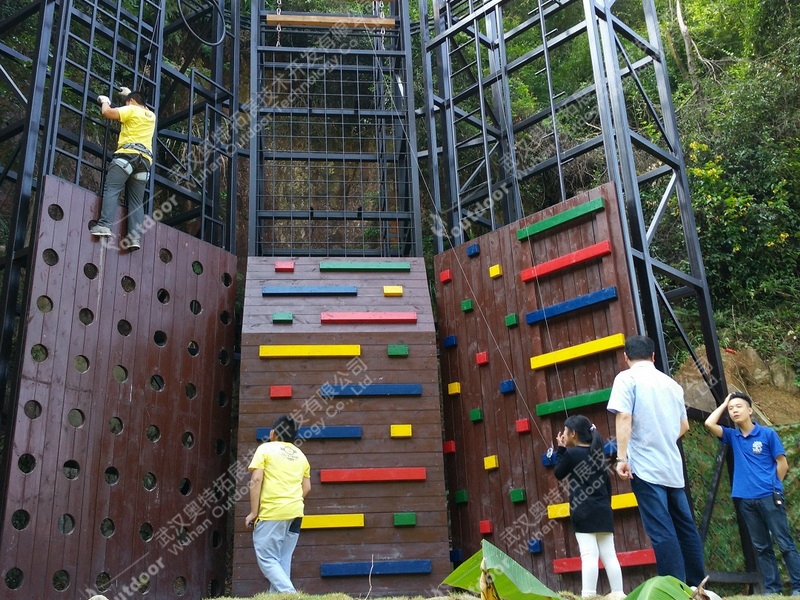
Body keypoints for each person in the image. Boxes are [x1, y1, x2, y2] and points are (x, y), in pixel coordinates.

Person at [607, 334, 706, 586]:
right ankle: (697, 583)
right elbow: (683, 426)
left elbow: (624, 417)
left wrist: (622, 457)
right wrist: (662, 438)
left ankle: (674, 586)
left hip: (646, 467)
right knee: (685, 527)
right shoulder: (672, 384)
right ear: (654, 356)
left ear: (626, 357)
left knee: (661, 529)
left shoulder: (626, 378)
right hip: (672, 468)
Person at [705, 392, 800, 595]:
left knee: (784, 543)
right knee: (761, 547)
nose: (734, 411)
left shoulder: (767, 434)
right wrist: (723, 403)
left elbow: (782, 464)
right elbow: (709, 423)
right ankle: (773, 590)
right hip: (745, 499)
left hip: (769, 496)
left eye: (738, 406)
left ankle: (798, 587)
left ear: (750, 410)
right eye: (731, 409)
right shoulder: (733, 436)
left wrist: (774, 486)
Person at [554, 415, 625, 599]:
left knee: (589, 556)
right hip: (603, 511)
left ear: (573, 434)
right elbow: (608, 486)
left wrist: (560, 449)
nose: (564, 435)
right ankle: (619, 593)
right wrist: (605, 508)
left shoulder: (571, 453)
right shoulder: (598, 456)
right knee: (610, 556)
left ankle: (588, 596)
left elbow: (558, 473)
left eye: (566, 432)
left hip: (583, 512)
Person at [246, 415, 311, 593]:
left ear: (273, 433)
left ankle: (291, 596)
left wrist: (254, 512)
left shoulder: (265, 449)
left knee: (266, 558)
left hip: (273, 512)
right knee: (283, 559)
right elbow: (307, 487)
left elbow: (256, 479)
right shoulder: (301, 455)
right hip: (296, 512)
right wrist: (292, 501)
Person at [90, 89, 156, 250]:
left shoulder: (131, 109)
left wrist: (105, 100)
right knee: (136, 202)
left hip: (127, 156)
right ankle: (134, 238)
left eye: (127, 102)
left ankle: (104, 225)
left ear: (131, 102)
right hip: (145, 162)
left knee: (112, 189)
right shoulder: (151, 116)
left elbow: (107, 112)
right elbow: (143, 106)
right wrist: (128, 93)